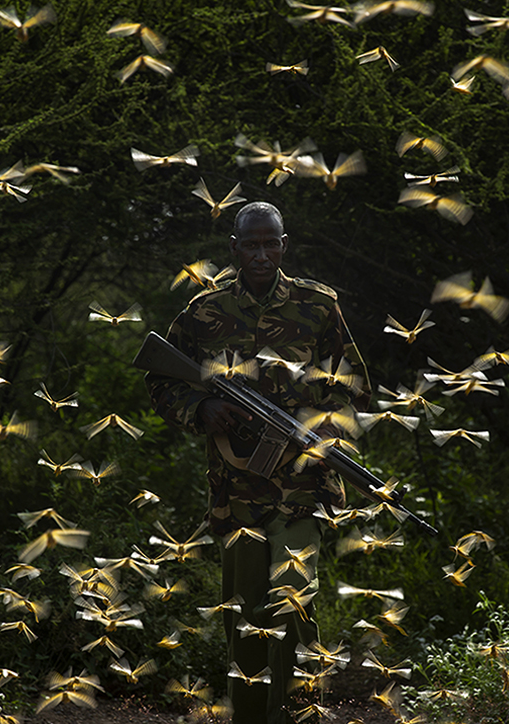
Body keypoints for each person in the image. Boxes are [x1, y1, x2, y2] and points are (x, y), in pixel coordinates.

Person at [146, 202, 368, 724]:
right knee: (243, 617)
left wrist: (318, 429)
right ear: (235, 248)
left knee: (292, 600)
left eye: (271, 244)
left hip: (304, 486)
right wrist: (202, 407)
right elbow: (161, 378)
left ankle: (294, 715)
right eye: (252, 245)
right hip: (236, 491)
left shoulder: (318, 306)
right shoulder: (204, 310)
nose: (262, 254)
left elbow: (351, 383)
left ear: (284, 245)